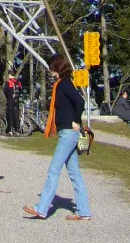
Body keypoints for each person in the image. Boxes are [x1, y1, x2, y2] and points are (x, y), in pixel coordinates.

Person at [23, 54, 92, 222]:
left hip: (69, 133)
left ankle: (41, 208)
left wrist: (76, 120)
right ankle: (84, 212)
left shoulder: (64, 84)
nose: (49, 69)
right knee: (74, 173)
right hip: (66, 133)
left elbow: (80, 102)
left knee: (53, 170)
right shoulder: (62, 85)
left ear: (58, 67)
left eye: (51, 66)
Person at [5, 69, 23, 135]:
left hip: (10, 100)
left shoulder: (8, 82)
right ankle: (17, 130)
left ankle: (10, 130)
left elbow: (5, 91)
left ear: (9, 75)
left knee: (10, 115)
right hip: (17, 100)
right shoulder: (18, 82)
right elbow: (20, 91)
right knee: (16, 115)